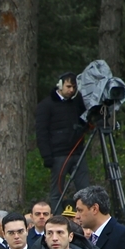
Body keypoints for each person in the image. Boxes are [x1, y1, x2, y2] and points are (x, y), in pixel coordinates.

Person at [36, 72, 89, 212]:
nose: (71, 90)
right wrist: (46, 156)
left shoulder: (77, 103)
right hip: (58, 155)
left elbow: (87, 120)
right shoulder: (46, 105)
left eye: (74, 87)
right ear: (60, 85)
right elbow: (41, 132)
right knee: (57, 192)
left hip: (78, 152)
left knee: (86, 191)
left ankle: (84, 219)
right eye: (68, 86)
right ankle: (58, 220)